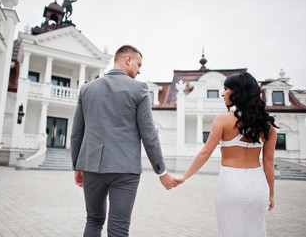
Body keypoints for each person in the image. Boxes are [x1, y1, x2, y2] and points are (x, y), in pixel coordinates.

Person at [71, 45, 175, 237]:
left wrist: (77, 165)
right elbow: (149, 134)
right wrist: (162, 171)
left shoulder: (87, 89)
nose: (140, 70)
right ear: (128, 59)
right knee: (119, 229)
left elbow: (77, 132)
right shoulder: (139, 89)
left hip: (91, 166)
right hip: (125, 169)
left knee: (93, 221)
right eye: (139, 64)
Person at [175, 72, 277, 237]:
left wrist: (184, 176)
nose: (222, 93)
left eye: (225, 89)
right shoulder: (268, 126)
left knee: (230, 232)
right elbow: (268, 164)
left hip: (231, 183)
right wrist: (271, 194)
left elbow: (205, 152)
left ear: (237, 92)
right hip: (259, 186)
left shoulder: (222, 119)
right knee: (256, 232)